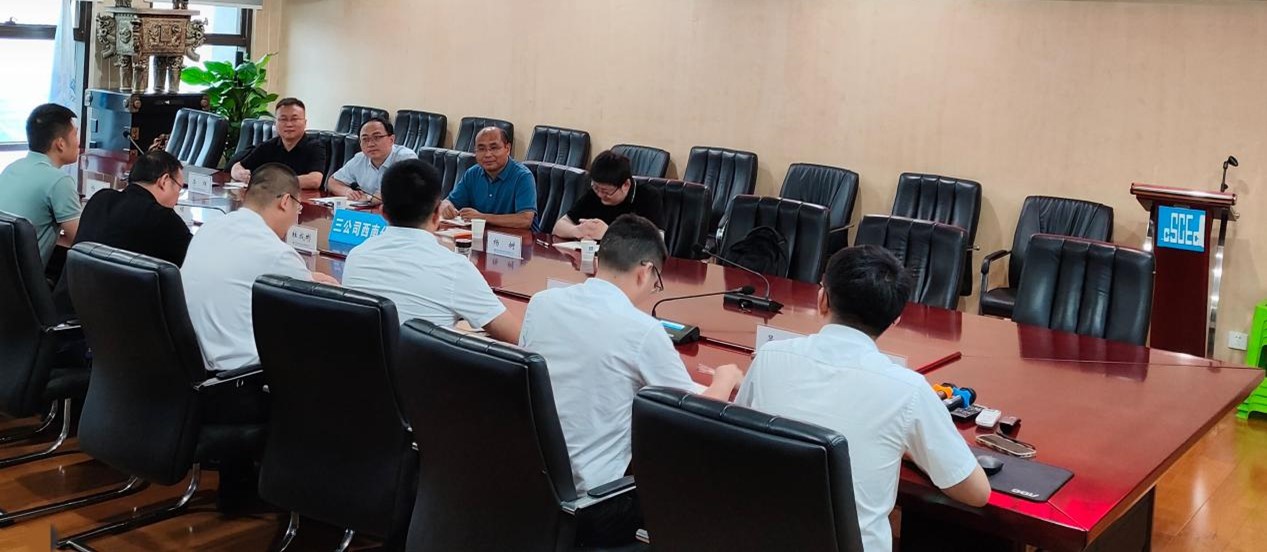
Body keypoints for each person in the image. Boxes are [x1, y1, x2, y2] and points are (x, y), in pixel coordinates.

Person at [735, 245, 990, 552]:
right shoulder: (908, 390)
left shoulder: (769, 357)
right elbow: (976, 492)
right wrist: (909, 448)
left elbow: (738, 439)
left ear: (823, 299)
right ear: (895, 319)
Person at [519, 214, 743, 546]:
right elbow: (695, 418)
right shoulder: (642, 331)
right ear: (645, 271)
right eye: (656, 282)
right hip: (592, 505)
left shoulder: (541, 303)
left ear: (598, 260)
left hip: (528, 486)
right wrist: (725, 378)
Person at [182, 163, 339, 372]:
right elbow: (313, 314)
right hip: (242, 374)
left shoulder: (209, 228)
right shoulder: (277, 253)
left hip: (189, 363)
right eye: (298, 208)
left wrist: (307, 276)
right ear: (285, 202)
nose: (296, 217)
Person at [342, 159, 520, 343]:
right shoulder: (454, 268)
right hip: (419, 362)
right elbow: (517, 338)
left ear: (383, 212)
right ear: (437, 214)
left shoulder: (356, 257)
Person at [53, 150, 194, 317]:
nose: (177, 199)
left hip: (64, 313)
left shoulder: (100, 200)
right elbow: (197, 262)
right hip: (107, 325)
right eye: (179, 188)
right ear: (164, 181)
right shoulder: (163, 219)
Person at [0, 103, 82, 266]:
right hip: (25, 280)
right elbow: (81, 242)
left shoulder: (11, 168)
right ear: (60, 143)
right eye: (75, 135)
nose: (78, 142)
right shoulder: (59, 181)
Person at [553, 150, 663, 240]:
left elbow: (656, 243)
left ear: (626, 185)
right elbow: (559, 226)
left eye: (606, 192)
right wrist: (577, 230)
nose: (600, 195)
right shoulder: (594, 194)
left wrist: (609, 233)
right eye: (596, 187)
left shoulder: (648, 197)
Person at [439, 127, 535, 229]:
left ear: (507, 149)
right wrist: (446, 207)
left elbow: (525, 220)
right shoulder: (473, 173)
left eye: (494, 148)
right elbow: (448, 201)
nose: (487, 154)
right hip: (480, 234)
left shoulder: (523, 176)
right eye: (481, 149)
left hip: (516, 237)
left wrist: (482, 217)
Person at [229, 98, 326, 190]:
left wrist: (274, 182)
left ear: (305, 123)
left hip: (300, 198)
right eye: (283, 119)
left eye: (294, 119)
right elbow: (237, 166)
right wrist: (240, 174)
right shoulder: (268, 146)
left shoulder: (315, 147)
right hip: (269, 197)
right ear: (275, 123)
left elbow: (315, 180)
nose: (289, 124)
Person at [327, 117, 417, 201]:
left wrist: (371, 199)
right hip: (367, 210)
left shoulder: (405, 157)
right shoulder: (360, 159)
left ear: (391, 140)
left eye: (377, 137)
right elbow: (333, 182)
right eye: (365, 139)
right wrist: (347, 192)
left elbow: (407, 190)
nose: (370, 144)